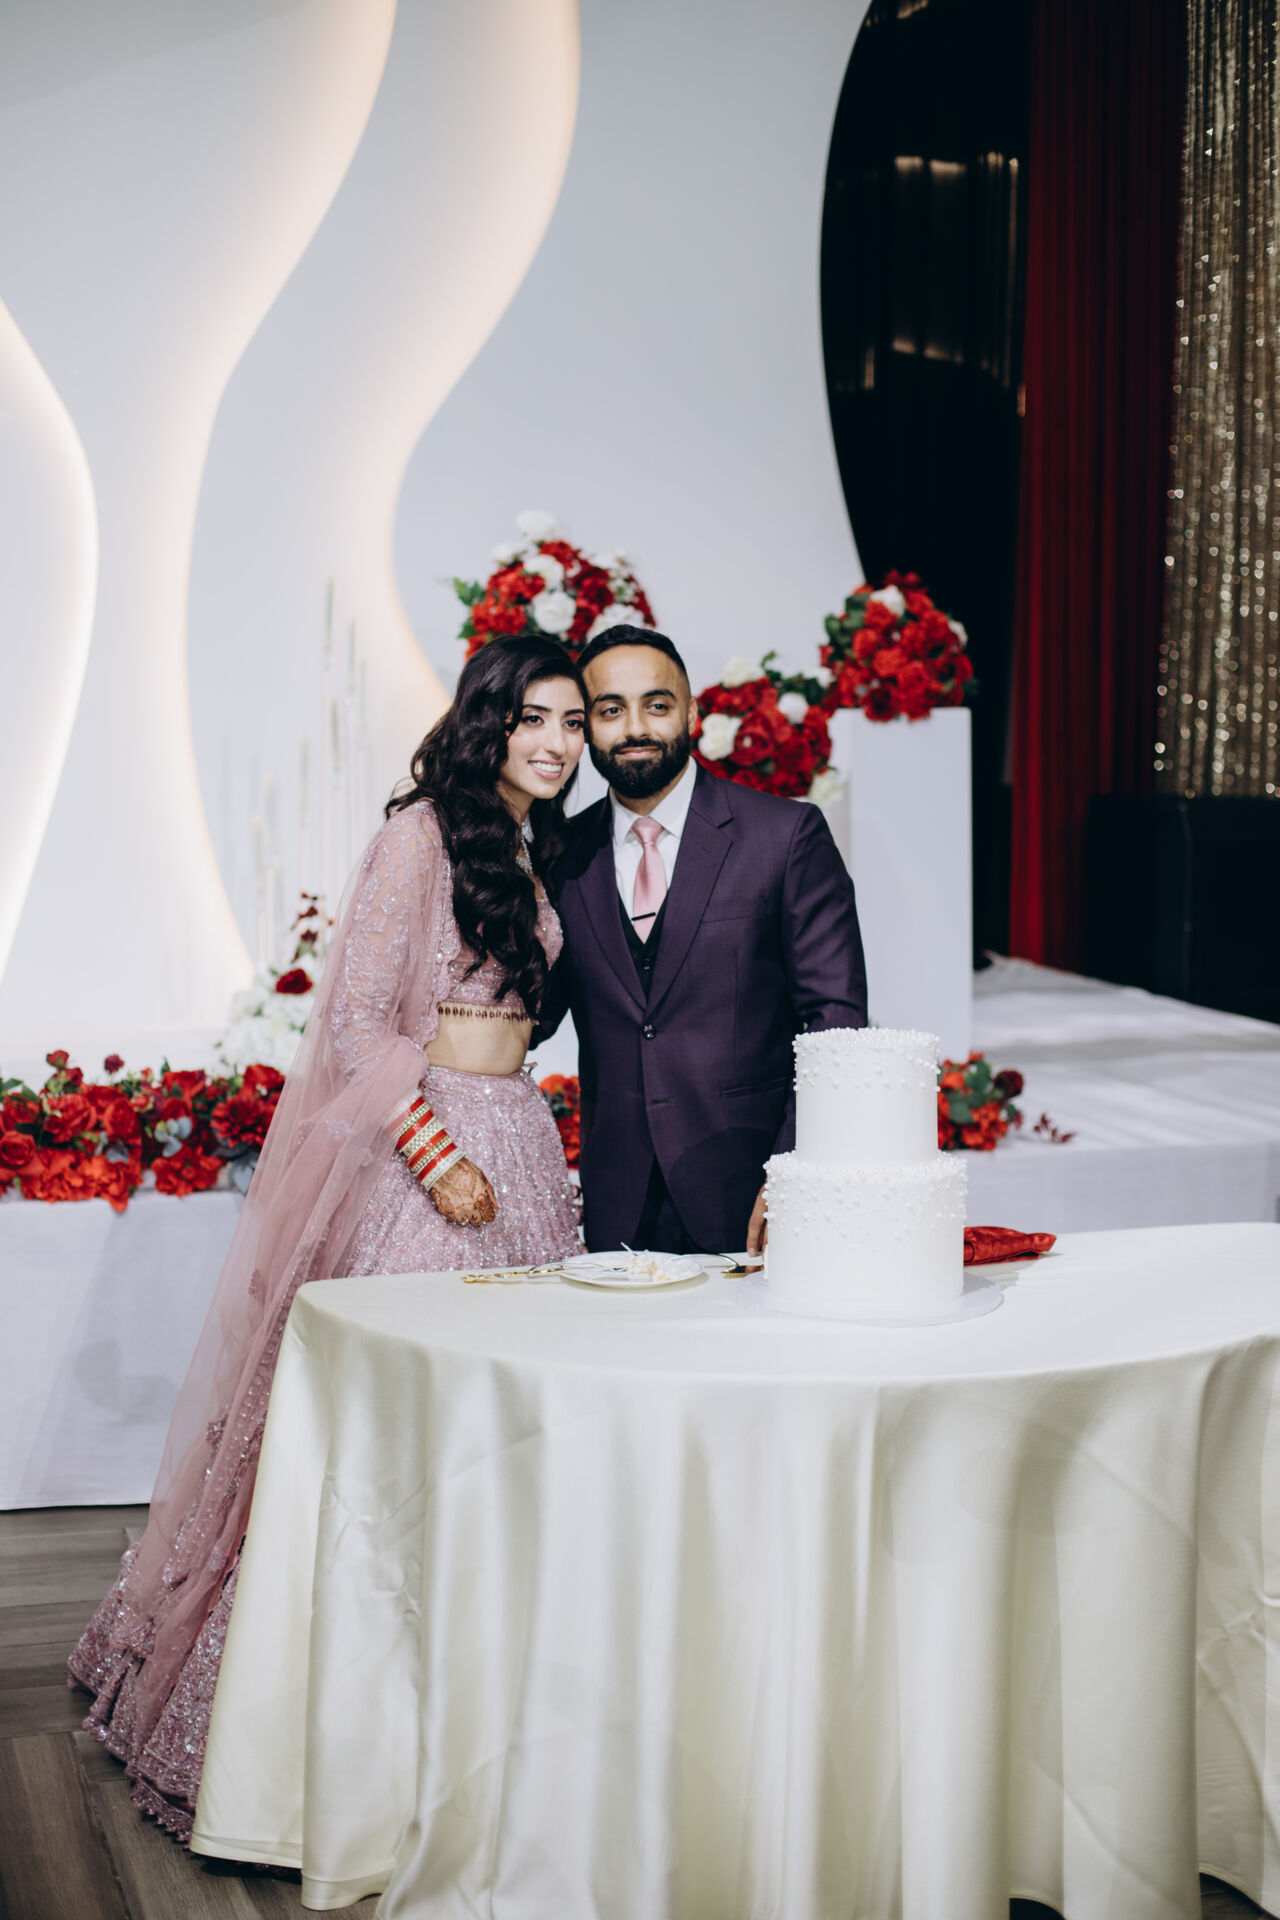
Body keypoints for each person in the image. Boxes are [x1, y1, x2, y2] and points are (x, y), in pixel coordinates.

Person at [68, 635, 586, 1842]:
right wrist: (437, 1156)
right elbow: (354, 1022)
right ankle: (328, 1741)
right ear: (488, 722)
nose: (557, 744)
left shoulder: (537, 845)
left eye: (572, 723)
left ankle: (484, 1724)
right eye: (534, 719)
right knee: (393, 1441)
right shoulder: (421, 834)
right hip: (432, 1157)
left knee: (503, 1435)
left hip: (520, 1139)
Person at [536, 624, 866, 1256]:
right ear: (585, 727)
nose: (635, 728)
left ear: (691, 712)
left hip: (753, 1194)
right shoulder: (560, 856)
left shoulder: (785, 836)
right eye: (610, 710)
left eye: (656, 705)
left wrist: (795, 1170)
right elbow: (529, 1015)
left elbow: (836, 1021)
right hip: (617, 1202)